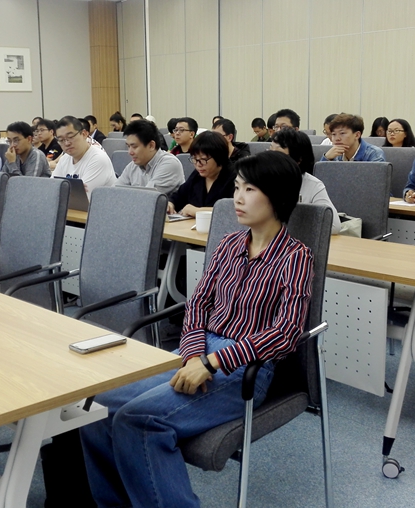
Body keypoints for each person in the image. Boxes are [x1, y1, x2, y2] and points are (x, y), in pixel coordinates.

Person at [80, 150, 314, 508]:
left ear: (278, 196)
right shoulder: (229, 244)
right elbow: (198, 304)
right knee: (96, 404)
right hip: (198, 351)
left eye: (250, 190)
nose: (238, 198)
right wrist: (193, 356)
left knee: (140, 421)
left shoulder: (296, 257)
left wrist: (212, 362)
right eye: (237, 188)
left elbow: (285, 332)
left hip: (244, 368)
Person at [269, 128, 340, 234]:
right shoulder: (258, 181)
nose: (269, 158)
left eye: (278, 154)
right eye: (270, 151)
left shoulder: (312, 185)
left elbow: (333, 225)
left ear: (298, 160)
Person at [168, 131, 235, 217]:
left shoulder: (235, 177)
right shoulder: (197, 175)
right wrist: (170, 204)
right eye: (195, 159)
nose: (198, 164)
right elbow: (179, 196)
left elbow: (233, 209)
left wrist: (198, 211)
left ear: (219, 157)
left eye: (203, 159)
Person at [50, 116, 117, 199]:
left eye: (70, 137)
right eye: (61, 140)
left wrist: (63, 191)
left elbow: (81, 199)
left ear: (84, 134)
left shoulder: (98, 159)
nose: (66, 143)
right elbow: (52, 189)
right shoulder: (65, 158)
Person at [117, 119, 184, 194]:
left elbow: (147, 197)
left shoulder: (170, 164)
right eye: (128, 146)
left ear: (151, 145)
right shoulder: (133, 166)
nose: (130, 152)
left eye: (134, 147)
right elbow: (114, 192)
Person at [322, 114, 386, 162]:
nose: (337, 139)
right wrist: (326, 158)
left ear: (357, 135)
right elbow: (320, 175)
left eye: (342, 133)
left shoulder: (374, 154)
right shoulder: (334, 154)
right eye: (334, 134)